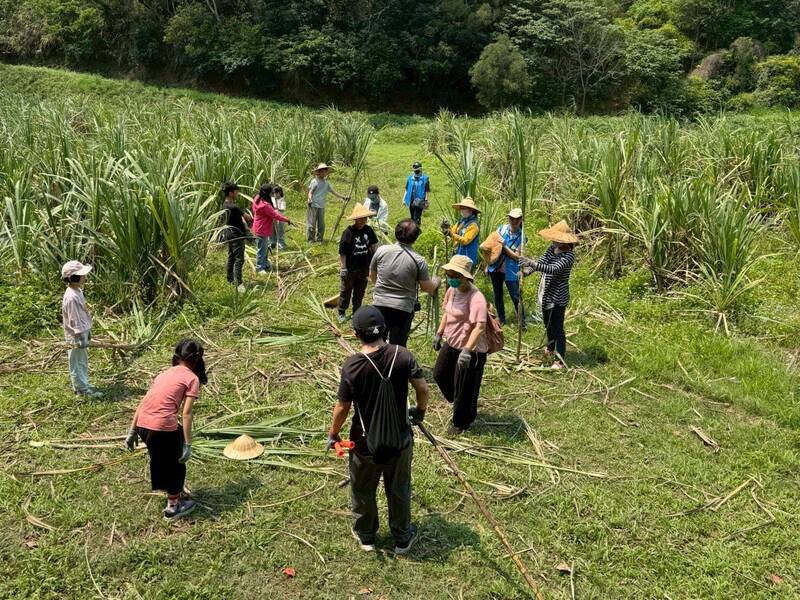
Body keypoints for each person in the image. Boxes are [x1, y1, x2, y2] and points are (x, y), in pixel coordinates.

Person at [327, 306, 429, 554]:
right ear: (384, 330)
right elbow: (423, 388)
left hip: (365, 445)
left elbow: (342, 407)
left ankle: (366, 537)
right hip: (399, 440)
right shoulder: (402, 356)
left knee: (363, 489)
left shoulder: (353, 366)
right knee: (399, 489)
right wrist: (419, 411)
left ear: (356, 334)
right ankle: (402, 538)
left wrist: (333, 433)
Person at [125, 339, 208, 519]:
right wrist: (188, 444)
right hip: (161, 427)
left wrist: (132, 431)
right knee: (175, 464)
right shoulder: (192, 378)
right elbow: (187, 413)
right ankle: (173, 507)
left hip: (143, 425)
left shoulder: (164, 374)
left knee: (162, 458)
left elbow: (143, 402)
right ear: (197, 360)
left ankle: (172, 491)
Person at [432, 255, 488, 435]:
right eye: (449, 274)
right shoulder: (452, 291)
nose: (451, 278)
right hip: (452, 343)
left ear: (465, 277)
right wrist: (439, 333)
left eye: (455, 275)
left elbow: (480, 327)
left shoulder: (476, 297)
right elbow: (447, 314)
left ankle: (461, 422)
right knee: (439, 374)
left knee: (464, 386)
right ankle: (462, 403)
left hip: (470, 349)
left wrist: (467, 351)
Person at [370, 219, 442, 347]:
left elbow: (373, 276)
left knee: (376, 342)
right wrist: (436, 282)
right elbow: (426, 287)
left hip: (379, 305)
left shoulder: (381, 251)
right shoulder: (419, 260)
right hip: (402, 309)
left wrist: (383, 291)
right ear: (415, 238)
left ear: (396, 232)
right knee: (397, 346)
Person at [521, 221, 577, 370]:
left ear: (564, 240)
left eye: (557, 239)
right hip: (546, 292)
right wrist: (527, 271)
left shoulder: (569, 256)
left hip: (557, 295)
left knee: (557, 327)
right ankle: (550, 348)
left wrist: (531, 263)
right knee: (547, 323)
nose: (553, 241)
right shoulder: (552, 248)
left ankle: (560, 360)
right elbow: (542, 262)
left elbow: (552, 269)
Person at [61, 260, 101, 398]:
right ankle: (81, 391)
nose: (84, 276)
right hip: (77, 335)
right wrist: (80, 335)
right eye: (82, 275)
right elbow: (74, 319)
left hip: (83, 331)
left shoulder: (77, 291)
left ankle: (83, 384)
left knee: (82, 360)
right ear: (74, 277)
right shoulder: (71, 297)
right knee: (77, 362)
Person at [338, 205, 379, 323]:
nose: (362, 221)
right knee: (346, 290)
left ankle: (356, 311)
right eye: (360, 219)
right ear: (355, 219)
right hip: (350, 268)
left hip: (364, 268)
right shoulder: (348, 233)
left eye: (364, 219)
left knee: (360, 291)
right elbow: (342, 252)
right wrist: (343, 268)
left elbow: (373, 246)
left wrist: (376, 262)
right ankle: (341, 311)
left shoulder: (368, 230)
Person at [487, 208, 528, 327]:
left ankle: (522, 322)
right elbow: (492, 245)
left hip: (511, 270)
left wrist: (503, 246)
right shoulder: (501, 229)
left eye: (516, 219)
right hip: (496, 267)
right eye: (511, 218)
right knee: (498, 295)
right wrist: (487, 264)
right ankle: (501, 320)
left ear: (521, 220)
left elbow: (517, 256)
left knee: (516, 297)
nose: (513, 221)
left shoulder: (522, 236)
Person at [252, 182, 291, 275]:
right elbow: (275, 215)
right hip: (262, 229)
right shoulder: (265, 205)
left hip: (258, 227)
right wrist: (287, 220)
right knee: (262, 249)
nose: (273, 194)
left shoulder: (257, 198)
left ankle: (264, 264)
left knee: (264, 248)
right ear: (268, 193)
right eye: (271, 192)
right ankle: (259, 267)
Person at [307, 163, 349, 242]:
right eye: (322, 171)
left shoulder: (326, 183)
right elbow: (310, 192)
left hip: (321, 205)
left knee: (321, 224)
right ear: (319, 172)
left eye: (325, 171)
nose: (324, 173)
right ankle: (311, 240)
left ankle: (320, 239)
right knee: (312, 223)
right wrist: (309, 199)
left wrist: (343, 197)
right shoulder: (314, 181)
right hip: (313, 205)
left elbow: (333, 192)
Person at [221, 182, 251, 292]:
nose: (237, 194)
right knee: (239, 259)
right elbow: (247, 217)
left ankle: (230, 279)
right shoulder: (234, 207)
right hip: (237, 235)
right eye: (236, 192)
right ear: (231, 193)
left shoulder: (224, 205)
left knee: (231, 257)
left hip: (228, 233)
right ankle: (239, 284)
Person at [445, 197, 481, 266]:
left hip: (467, 257)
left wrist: (451, 234)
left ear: (470, 210)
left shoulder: (474, 225)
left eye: (463, 208)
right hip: (458, 253)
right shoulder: (462, 221)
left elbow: (465, 241)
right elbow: (453, 231)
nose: (461, 210)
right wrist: (447, 228)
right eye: (461, 208)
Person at [270, 185, 288, 250]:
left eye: (276, 193)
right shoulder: (272, 199)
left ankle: (281, 244)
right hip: (272, 218)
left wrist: (275, 208)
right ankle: (272, 243)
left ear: (279, 192)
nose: (275, 194)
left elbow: (282, 209)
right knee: (272, 231)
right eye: (273, 193)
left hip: (280, 218)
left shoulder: (282, 199)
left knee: (280, 231)